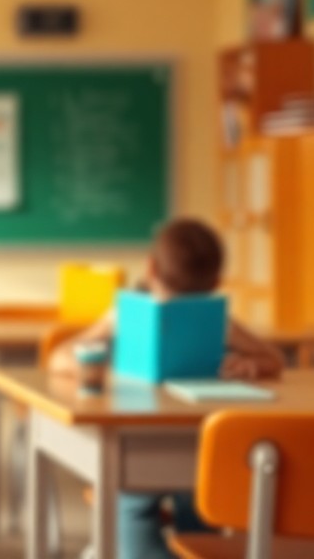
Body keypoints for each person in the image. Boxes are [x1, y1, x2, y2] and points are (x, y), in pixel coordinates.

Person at [49, 217, 283, 558]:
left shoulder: (216, 321)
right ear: (218, 280)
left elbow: (271, 361)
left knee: (152, 513)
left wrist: (250, 366)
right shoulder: (126, 314)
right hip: (177, 445)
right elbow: (61, 357)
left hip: (170, 448)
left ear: (151, 269)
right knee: (166, 509)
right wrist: (94, 368)